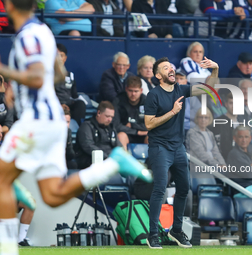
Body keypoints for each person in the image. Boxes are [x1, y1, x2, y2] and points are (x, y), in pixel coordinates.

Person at [0, 1, 151, 254]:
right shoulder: (44, 32)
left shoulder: (28, 36)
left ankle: (6, 247)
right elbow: (57, 74)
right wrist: (19, 83)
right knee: (52, 194)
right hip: (53, 121)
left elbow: (37, 78)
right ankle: (113, 164)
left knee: (1, 180)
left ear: (9, 5)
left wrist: (6, 72)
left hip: (36, 119)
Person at [144, 56, 219, 249]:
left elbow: (207, 89)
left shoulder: (180, 89)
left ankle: (176, 230)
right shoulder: (153, 95)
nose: (171, 69)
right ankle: (153, 234)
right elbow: (148, 123)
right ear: (158, 75)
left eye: (171, 67)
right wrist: (172, 112)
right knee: (160, 188)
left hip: (178, 147)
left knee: (184, 188)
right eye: (165, 68)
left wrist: (215, 70)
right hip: (159, 147)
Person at [76, 101, 123, 169]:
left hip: (109, 161)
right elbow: (88, 146)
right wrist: (107, 157)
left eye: (111, 117)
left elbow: (118, 145)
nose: (110, 119)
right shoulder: (87, 126)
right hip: (91, 161)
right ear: (99, 113)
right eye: (107, 116)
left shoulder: (111, 128)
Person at [113, 76, 148, 148]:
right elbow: (116, 126)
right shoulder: (118, 101)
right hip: (126, 134)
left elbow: (152, 125)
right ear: (126, 89)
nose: (133, 94)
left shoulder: (148, 102)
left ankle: (152, 159)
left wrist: (133, 125)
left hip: (144, 135)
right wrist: (137, 132)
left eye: (136, 91)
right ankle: (124, 159)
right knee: (120, 136)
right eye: (130, 90)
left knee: (153, 138)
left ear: (141, 90)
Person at [55, 43, 86, 126]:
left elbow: (74, 95)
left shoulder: (70, 75)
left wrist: (70, 103)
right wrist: (60, 105)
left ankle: (78, 128)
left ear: (65, 58)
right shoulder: (47, 74)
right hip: (55, 105)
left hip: (68, 106)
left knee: (80, 104)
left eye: (61, 56)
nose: (59, 58)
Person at [209, 92, 239, 160]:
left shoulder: (243, 122)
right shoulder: (218, 122)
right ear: (226, 104)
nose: (234, 106)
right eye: (231, 103)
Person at [175, 69, 201, 135]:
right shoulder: (166, 95)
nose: (178, 81)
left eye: (181, 79)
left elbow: (198, 112)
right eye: (176, 78)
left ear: (186, 82)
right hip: (173, 129)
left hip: (190, 128)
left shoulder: (191, 96)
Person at [62, 104, 77, 170]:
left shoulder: (68, 131)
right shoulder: (52, 132)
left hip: (64, 159)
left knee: (72, 164)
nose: (65, 125)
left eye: (67, 122)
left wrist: (67, 143)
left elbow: (71, 155)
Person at [0, 75, 14, 142]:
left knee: (7, 134)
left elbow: (9, 123)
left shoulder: (6, 100)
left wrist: (1, 129)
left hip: (4, 134)